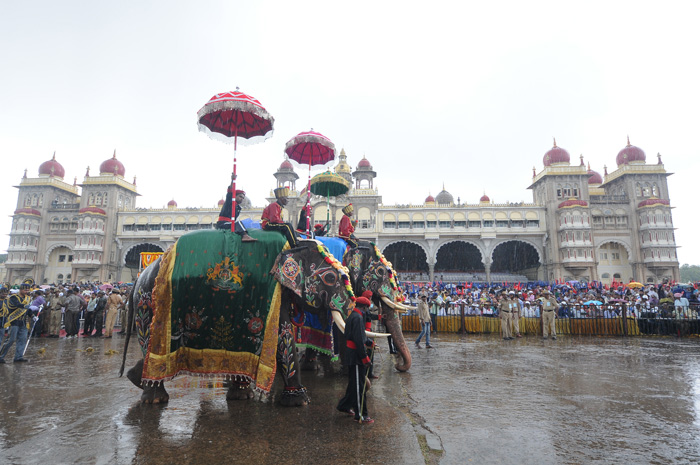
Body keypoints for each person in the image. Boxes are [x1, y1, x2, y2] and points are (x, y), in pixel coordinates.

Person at [336, 296, 375, 424]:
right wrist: (365, 358)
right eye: (366, 309)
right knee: (360, 387)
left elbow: (358, 336)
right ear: (364, 307)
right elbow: (358, 340)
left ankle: (344, 405)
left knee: (354, 384)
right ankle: (361, 415)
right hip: (356, 357)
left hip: (352, 354)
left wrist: (369, 342)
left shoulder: (353, 315)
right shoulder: (358, 318)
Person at [0, 278, 35, 363]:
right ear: (21, 289)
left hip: (23, 322)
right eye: (25, 290)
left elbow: (28, 310)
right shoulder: (13, 297)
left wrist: (32, 315)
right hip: (14, 321)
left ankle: (18, 357)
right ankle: (1, 356)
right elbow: (18, 305)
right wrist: (26, 306)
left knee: (22, 340)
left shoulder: (28, 298)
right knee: (11, 340)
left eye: (28, 290)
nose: (27, 291)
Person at [216, 174, 256, 242]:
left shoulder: (238, 207)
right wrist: (232, 180)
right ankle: (244, 236)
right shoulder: (230, 202)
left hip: (230, 223)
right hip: (223, 224)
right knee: (238, 223)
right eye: (240, 197)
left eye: (243, 198)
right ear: (235, 196)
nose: (242, 199)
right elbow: (230, 191)